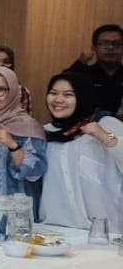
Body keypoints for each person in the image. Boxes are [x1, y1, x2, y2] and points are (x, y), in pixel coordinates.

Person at [40, 73, 123, 232]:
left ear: (83, 96)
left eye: (68, 94)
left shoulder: (104, 124)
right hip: (57, 231)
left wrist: (106, 137)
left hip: (105, 232)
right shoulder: (46, 133)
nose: (58, 100)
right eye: (53, 93)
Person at [0, 66, 47, 202]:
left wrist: (13, 146)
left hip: (12, 212)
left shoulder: (27, 126)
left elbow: (35, 173)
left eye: (0, 90)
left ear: (12, 91)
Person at [67, 24, 123, 117]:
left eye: (116, 44)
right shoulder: (83, 74)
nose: (110, 48)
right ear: (94, 48)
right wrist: (80, 63)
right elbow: (62, 88)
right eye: (104, 43)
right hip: (86, 129)